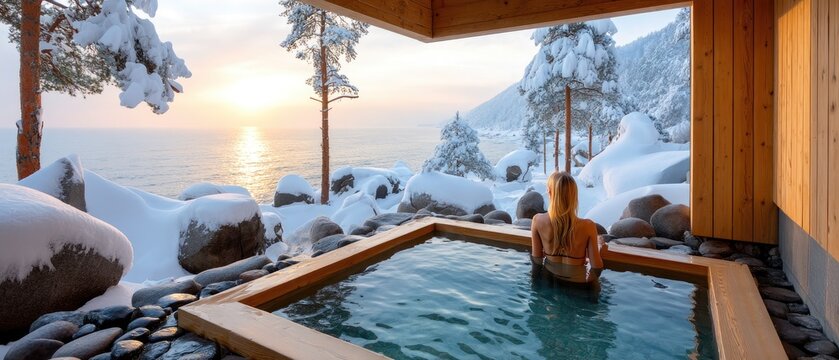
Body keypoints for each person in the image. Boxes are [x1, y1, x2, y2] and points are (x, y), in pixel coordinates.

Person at [531, 171, 608, 283]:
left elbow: (536, 261)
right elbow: (596, 267)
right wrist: (599, 247)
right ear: (574, 196)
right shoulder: (588, 226)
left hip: (549, 283)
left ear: (550, 192)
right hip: (576, 287)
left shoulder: (537, 221)